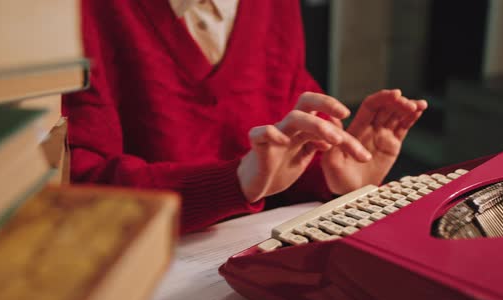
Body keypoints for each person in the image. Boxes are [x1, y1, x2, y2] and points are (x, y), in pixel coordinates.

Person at [62, 0, 427, 234]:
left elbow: (281, 150)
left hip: (257, 255)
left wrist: (332, 179)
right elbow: (82, 188)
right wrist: (234, 183)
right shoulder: (79, 12)